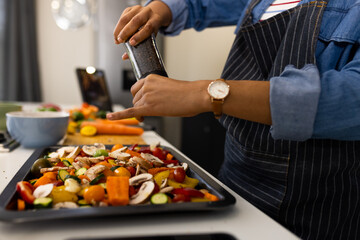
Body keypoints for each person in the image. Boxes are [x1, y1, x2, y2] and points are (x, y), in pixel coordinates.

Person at [108, 0, 360, 239]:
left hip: (312, 204)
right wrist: (160, 8)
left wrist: (204, 93)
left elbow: (351, 99)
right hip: (235, 180)